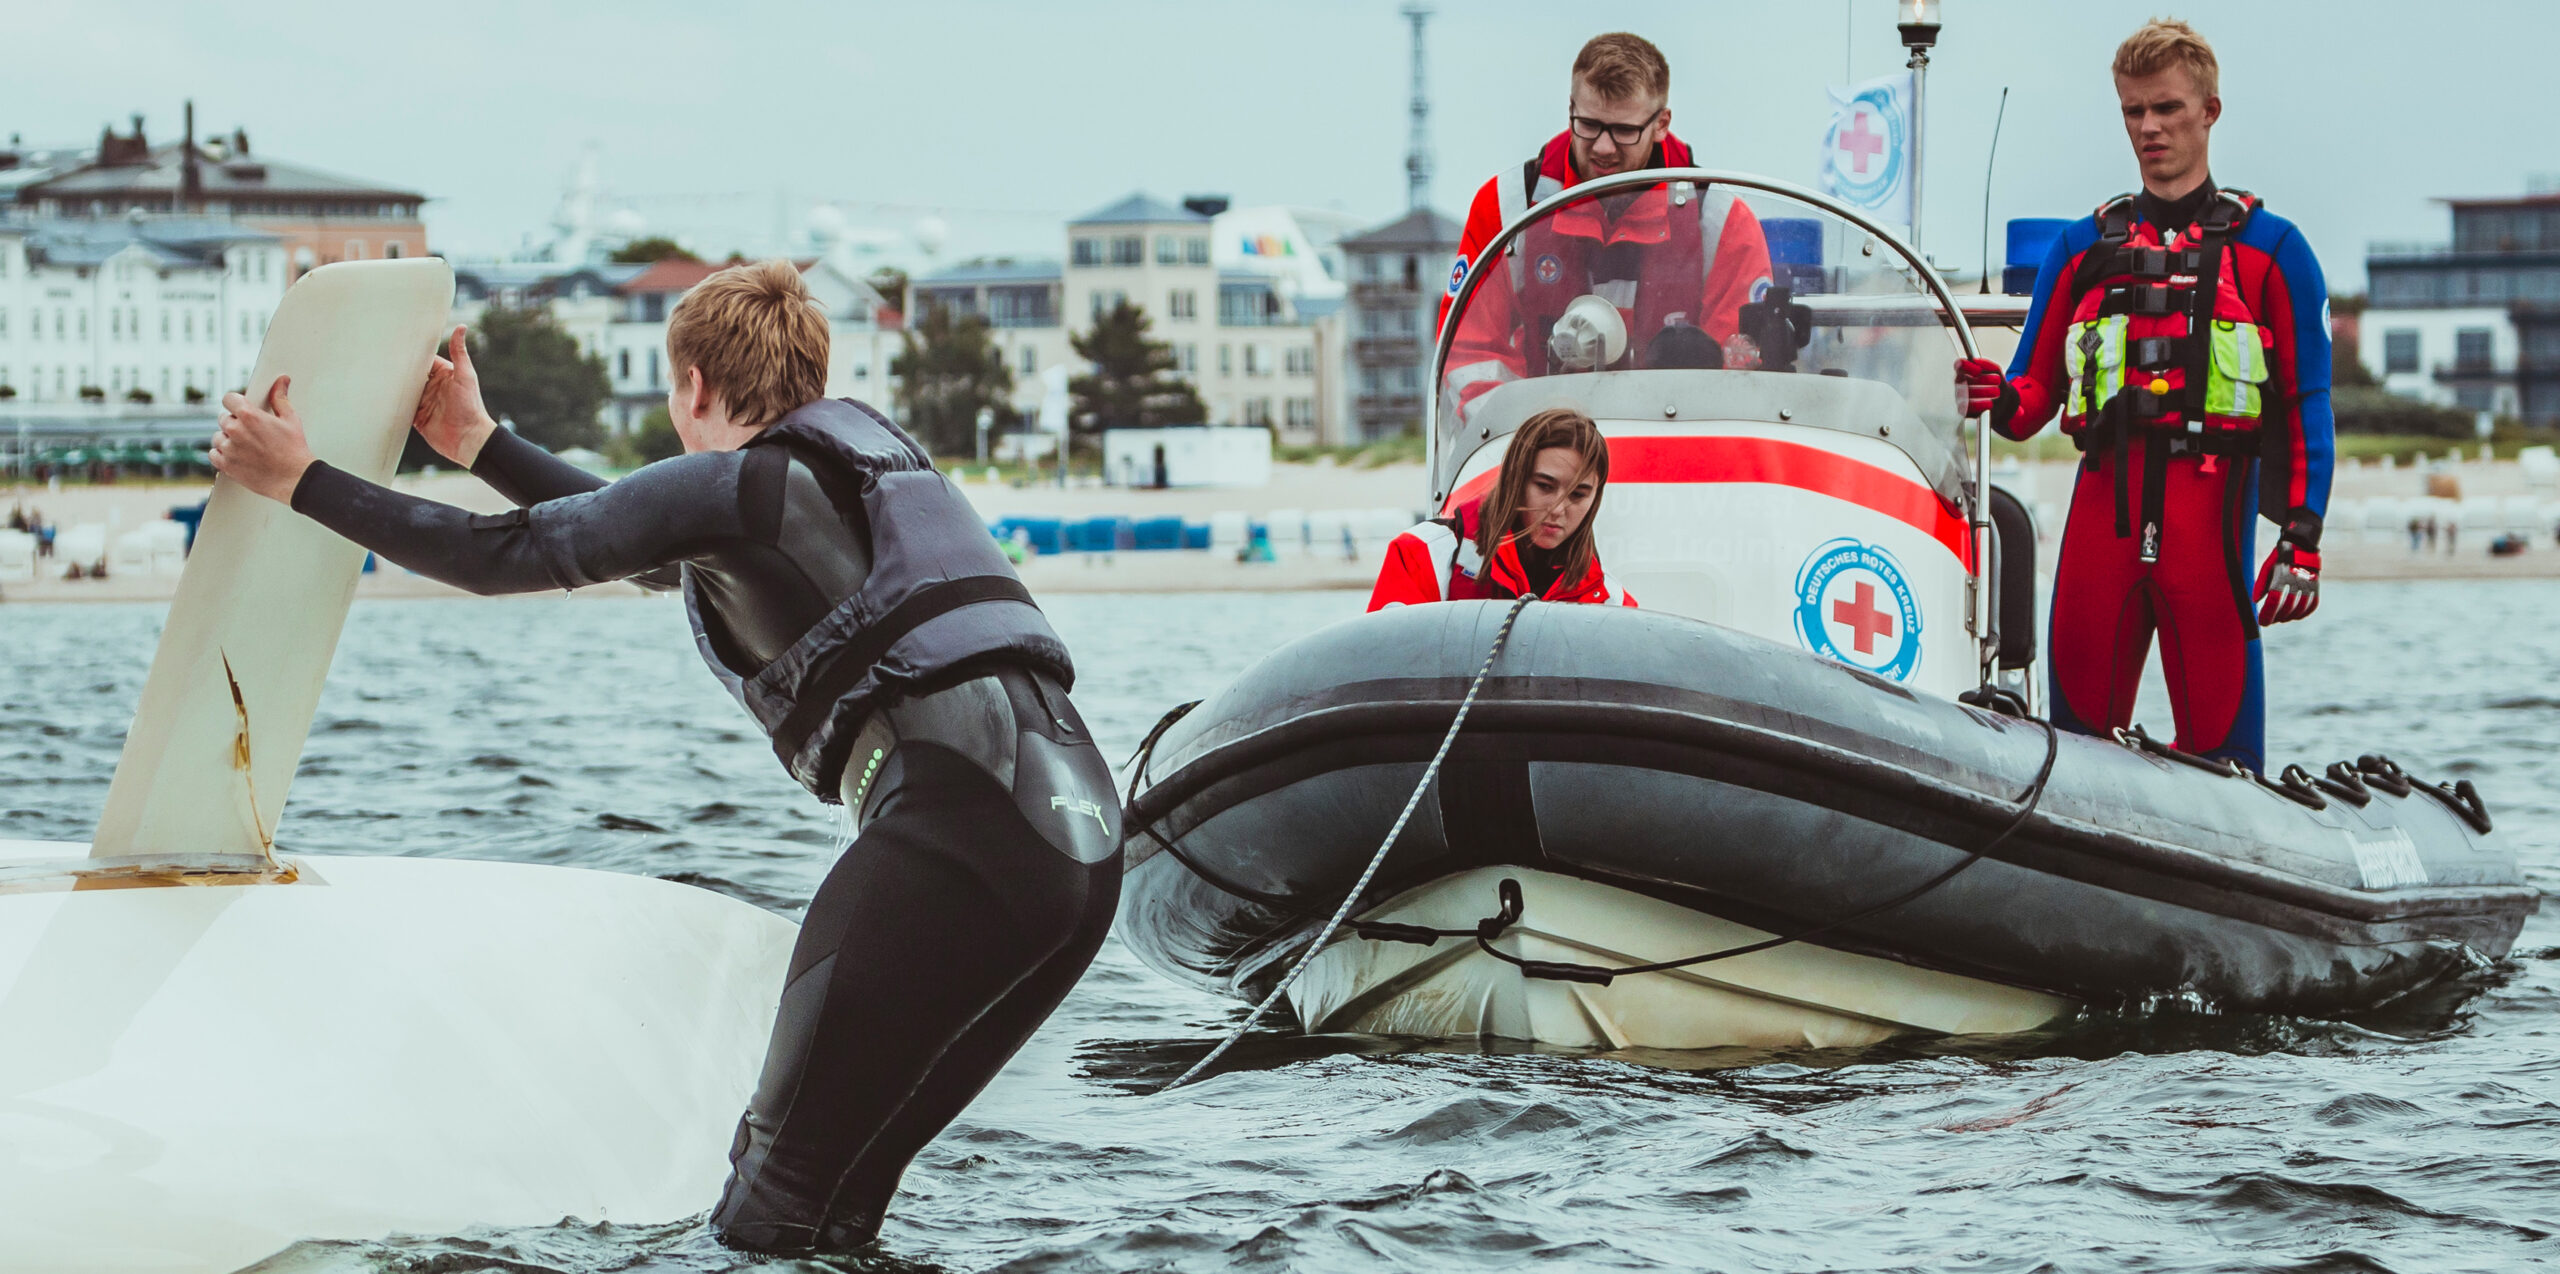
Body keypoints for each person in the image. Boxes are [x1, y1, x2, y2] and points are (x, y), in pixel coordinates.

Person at [207, 261, 1122, 1254]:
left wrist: (299, 479)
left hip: (960, 842)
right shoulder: (849, 479)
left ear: (690, 386)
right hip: (1078, 853)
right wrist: (478, 442)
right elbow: (641, 537)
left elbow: (502, 554)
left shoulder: (745, 488)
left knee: (774, 1206)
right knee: (833, 1203)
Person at [1955, 19, 2332, 775]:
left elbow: (2305, 406)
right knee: (2073, 759)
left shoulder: (2273, 252)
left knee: (2230, 761)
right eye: (2134, 111)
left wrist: (2302, 540)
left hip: (2212, 535)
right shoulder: (2080, 248)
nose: (2150, 128)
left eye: (2166, 108)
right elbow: (2030, 405)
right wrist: (1992, 392)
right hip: (2103, 531)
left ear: (2209, 111)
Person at [1440, 33, 1776, 420]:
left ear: (1661, 123)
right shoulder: (1506, 207)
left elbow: (1737, 368)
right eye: (1588, 124)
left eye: (1623, 130)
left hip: (1680, 448)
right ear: (1570, 109)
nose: (1602, 147)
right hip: (1540, 454)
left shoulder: (1719, 219)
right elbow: (1470, 352)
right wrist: (1523, 443)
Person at [1369, 407, 1635, 609]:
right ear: (1515, 479)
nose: (1557, 509)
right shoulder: (1422, 556)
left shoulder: (1611, 602)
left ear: (1595, 499)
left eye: (1578, 495)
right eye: (1544, 486)